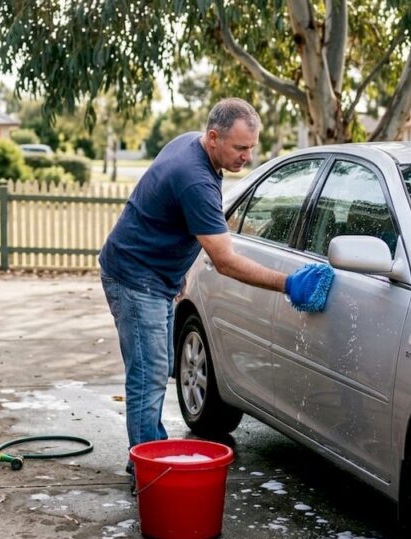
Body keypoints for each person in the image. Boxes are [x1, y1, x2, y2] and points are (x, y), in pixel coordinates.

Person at [98, 98, 331, 486]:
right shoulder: (195, 177)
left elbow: (170, 216)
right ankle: (147, 469)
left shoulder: (193, 147)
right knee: (149, 374)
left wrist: (177, 274)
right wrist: (288, 283)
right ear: (213, 137)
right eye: (240, 148)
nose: (247, 156)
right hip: (136, 278)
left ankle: (147, 453)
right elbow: (225, 260)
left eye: (252, 147)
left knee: (154, 368)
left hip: (151, 274)